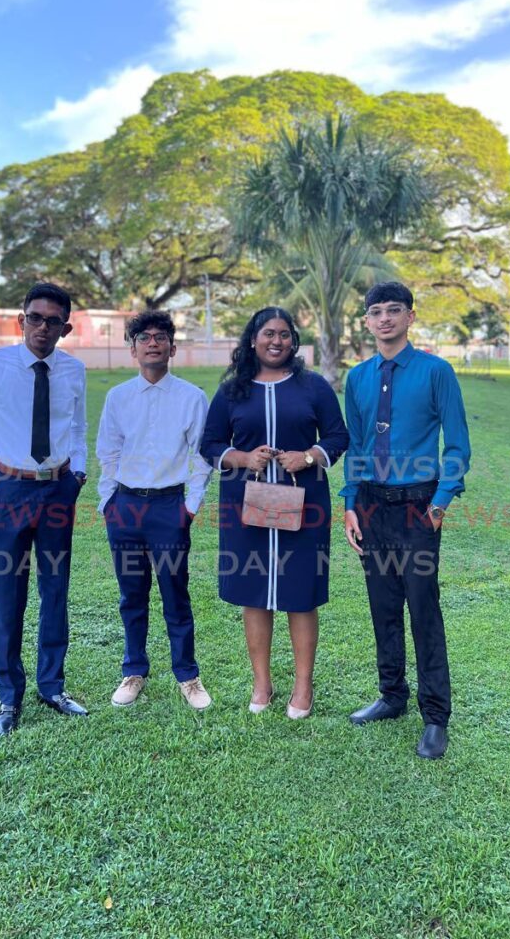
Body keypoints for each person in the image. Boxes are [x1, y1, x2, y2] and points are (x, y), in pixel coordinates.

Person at [342, 282, 470, 759]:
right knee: (383, 605)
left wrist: (438, 506)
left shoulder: (436, 372)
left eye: (394, 310)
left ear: (410, 317)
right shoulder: (358, 378)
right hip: (372, 506)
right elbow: (356, 446)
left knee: (423, 608)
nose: (385, 319)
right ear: (368, 322)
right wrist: (350, 502)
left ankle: (436, 716)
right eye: (376, 312)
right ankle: (392, 695)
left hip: (419, 507)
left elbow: (457, 446)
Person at [201, 307, 349, 719]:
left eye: (284, 334)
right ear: (253, 339)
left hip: (305, 504)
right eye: (268, 333)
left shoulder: (313, 387)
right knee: (255, 595)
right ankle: (261, 683)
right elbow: (210, 442)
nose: (276, 341)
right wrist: (242, 457)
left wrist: (309, 455)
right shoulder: (233, 390)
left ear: (293, 341)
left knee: (300, 595)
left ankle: (304, 686)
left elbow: (338, 435)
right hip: (246, 505)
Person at [0, 282, 88, 736]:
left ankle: (52, 687)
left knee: (55, 592)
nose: (43, 327)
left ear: (65, 328)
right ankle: (8, 697)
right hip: (9, 492)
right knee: (7, 596)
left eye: (54, 321)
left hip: (57, 493)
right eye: (35, 317)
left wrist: (79, 476)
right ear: (21, 320)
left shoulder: (74, 370)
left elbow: (79, 428)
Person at [96, 311, 213, 711]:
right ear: (132, 349)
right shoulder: (118, 398)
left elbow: (203, 455)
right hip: (125, 507)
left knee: (175, 594)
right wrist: (108, 502)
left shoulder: (192, 398)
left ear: (172, 347)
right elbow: (108, 452)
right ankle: (134, 671)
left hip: (169, 507)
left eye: (160, 337)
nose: (152, 343)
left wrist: (190, 506)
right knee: (132, 595)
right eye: (143, 337)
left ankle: (188, 676)